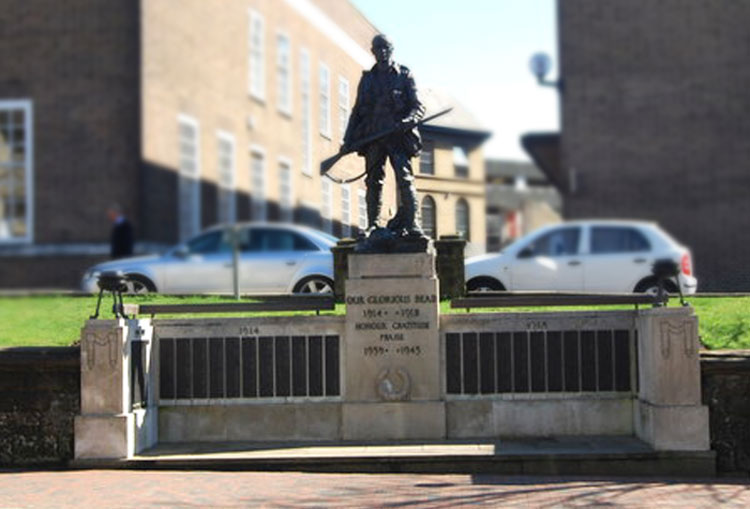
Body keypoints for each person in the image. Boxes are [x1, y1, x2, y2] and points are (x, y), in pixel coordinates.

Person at [342, 34, 426, 238]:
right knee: (373, 181)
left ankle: (413, 224)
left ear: (392, 50)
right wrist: (348, 139)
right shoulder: (368, 79)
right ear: (373, 52)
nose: (383, 52)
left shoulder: (404, 75)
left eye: (386, 48)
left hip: (397, 135)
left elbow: (418, 106)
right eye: (378, 49)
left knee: (405, 179)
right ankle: (373, 224)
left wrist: (409, 120)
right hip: (374, 135)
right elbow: (357, 110)